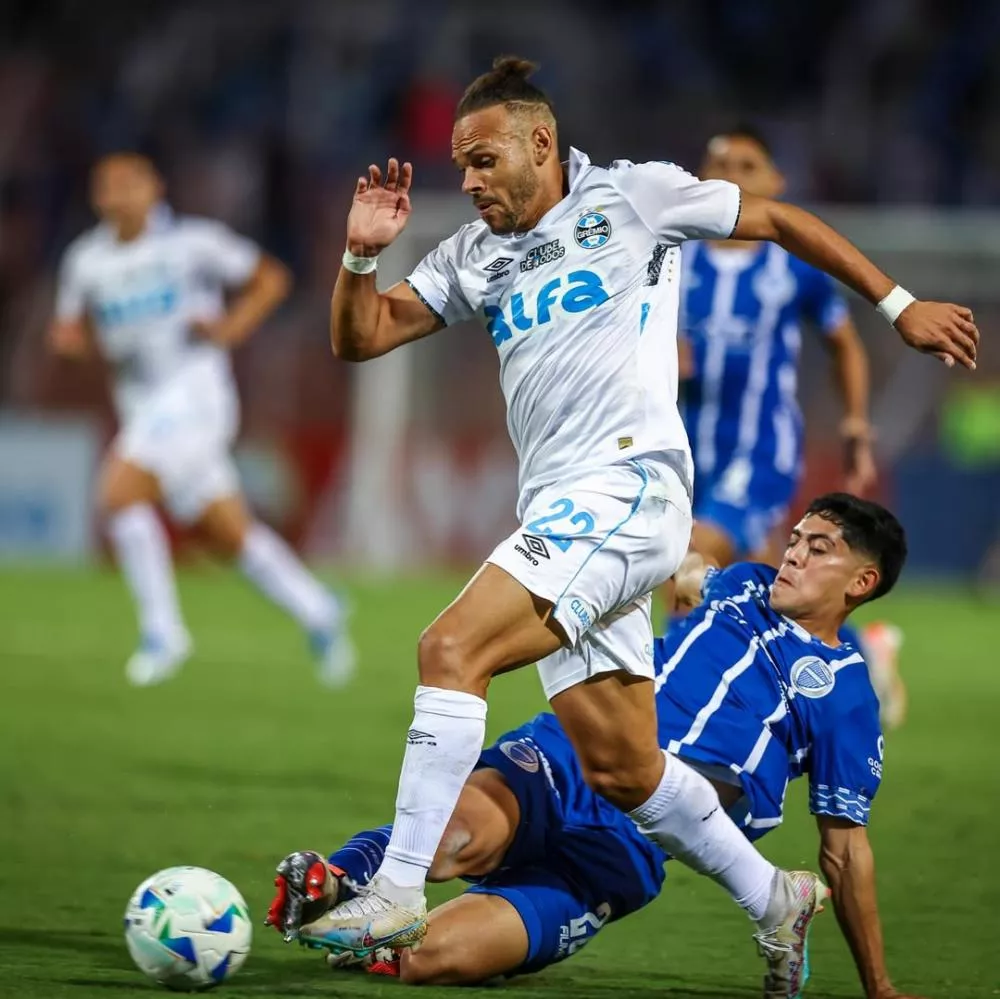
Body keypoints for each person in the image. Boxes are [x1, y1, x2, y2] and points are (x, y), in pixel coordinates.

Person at [313, 53, 977, 964]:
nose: (466, 181)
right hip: (563, 506)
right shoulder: (475, 254)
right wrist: (359, 254)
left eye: (481, 161)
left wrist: (896, 303)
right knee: (624, 766)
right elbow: (363, 338)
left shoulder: (635, 198)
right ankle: (772, 894)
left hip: (628, 488)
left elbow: (775, 219)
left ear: (540, 143)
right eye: (459, 166)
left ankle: (394, 888)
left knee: (450, 648)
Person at [269, 494, 921, 999]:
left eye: (820, 548)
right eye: (798, 538)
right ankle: (334, 879)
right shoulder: (742, 583)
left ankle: (397, 925)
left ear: (861, 582)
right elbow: (684, 567)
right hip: (575, 751)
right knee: (458, 839)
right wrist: (678, 565)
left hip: (631, 847)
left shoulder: (847, 697)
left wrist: (880, 985)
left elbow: (845, 849)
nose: (794, 554)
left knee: (424, 959)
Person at [48, 152, 355, 687]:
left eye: (128, 183)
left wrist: (230, 329)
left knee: (118, 495)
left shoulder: (193, 244)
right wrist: (71, 345)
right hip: (142, 409)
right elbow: (71, 332)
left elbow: (270, 279)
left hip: (197, 400)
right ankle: (320, 611)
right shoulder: (85, 261)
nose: (118, 194)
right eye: (107, 186)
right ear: (97, 199)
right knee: (229, 534)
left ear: (154, 188)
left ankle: (163, 633)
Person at [671, 127, 907, 729]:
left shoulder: (792, 266)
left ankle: (682, 721)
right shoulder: (673, 255)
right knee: (771, 592)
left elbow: (844, 346)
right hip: (683, 448)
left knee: (687, 567)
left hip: (761, 449)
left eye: (747, 164)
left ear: (775, 183)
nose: (729, 172)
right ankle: (861, 656)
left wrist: (855, 421)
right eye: (717, 161)